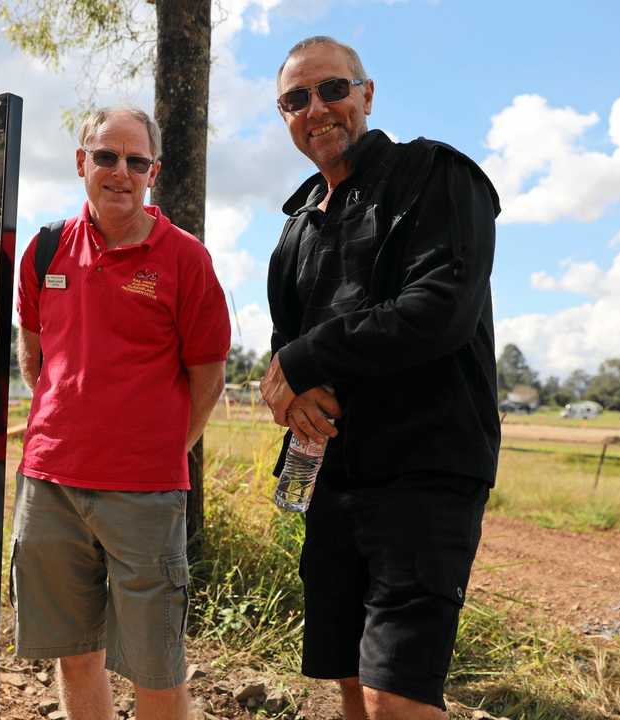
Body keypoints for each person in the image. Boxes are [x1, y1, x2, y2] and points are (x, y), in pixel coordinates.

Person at [262, 37, 500, 719]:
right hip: (332, 474)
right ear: (285, 116)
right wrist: (292, 390)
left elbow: (440, 310)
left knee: (395, 688)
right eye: (296, 99)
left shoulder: (435, 175)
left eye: (333, 89)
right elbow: (286, 346)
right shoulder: (297, 225)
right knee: (344, 671)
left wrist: (308, 361)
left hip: (423, 469)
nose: (317, 108)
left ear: (367, 94)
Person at [13, 106, 230, 720]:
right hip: (49, 484)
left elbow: (208, 378)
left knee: (154, 665)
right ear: (82, 161)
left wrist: (158, 452)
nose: (120, 172)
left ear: (153, 172)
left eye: (137, 161)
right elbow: (35, 358)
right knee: (75, 653)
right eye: (106, 156)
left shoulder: (186, 260)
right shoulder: (46, 249)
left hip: (145, 495)